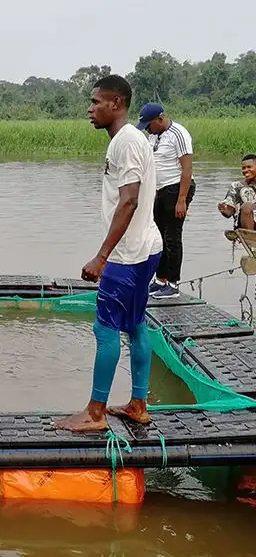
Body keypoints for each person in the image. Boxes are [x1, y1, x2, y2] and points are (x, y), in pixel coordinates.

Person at [55, 76, 162, 433]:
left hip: (127, 255)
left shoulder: (126, 142)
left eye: (96, 101)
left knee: (105, 327)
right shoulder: (131, 140)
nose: (90, 108)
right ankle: (138, 404)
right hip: (146, 248)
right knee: (135, 324)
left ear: (116, 103)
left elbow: (129, 199)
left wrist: (102, 256)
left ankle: (96, 412)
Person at [136, 103, 195, 299]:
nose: (147, 129)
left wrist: (181, 200)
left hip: (176, 189)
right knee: (158, 237)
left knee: (172, 237)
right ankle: (160, 279)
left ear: (159, 119)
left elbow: (186, 169)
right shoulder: (153, 136)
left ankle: (173, 283)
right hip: (159, 191)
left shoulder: (179, 133)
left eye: (148, 124)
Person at [218, 154, 256, 231]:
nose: (245, 170)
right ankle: (250, 238)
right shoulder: (236, 186)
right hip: (246, 226)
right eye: (243, 168)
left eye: (249, 167)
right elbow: (229, 212)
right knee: (246, 206)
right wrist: (224, 209)